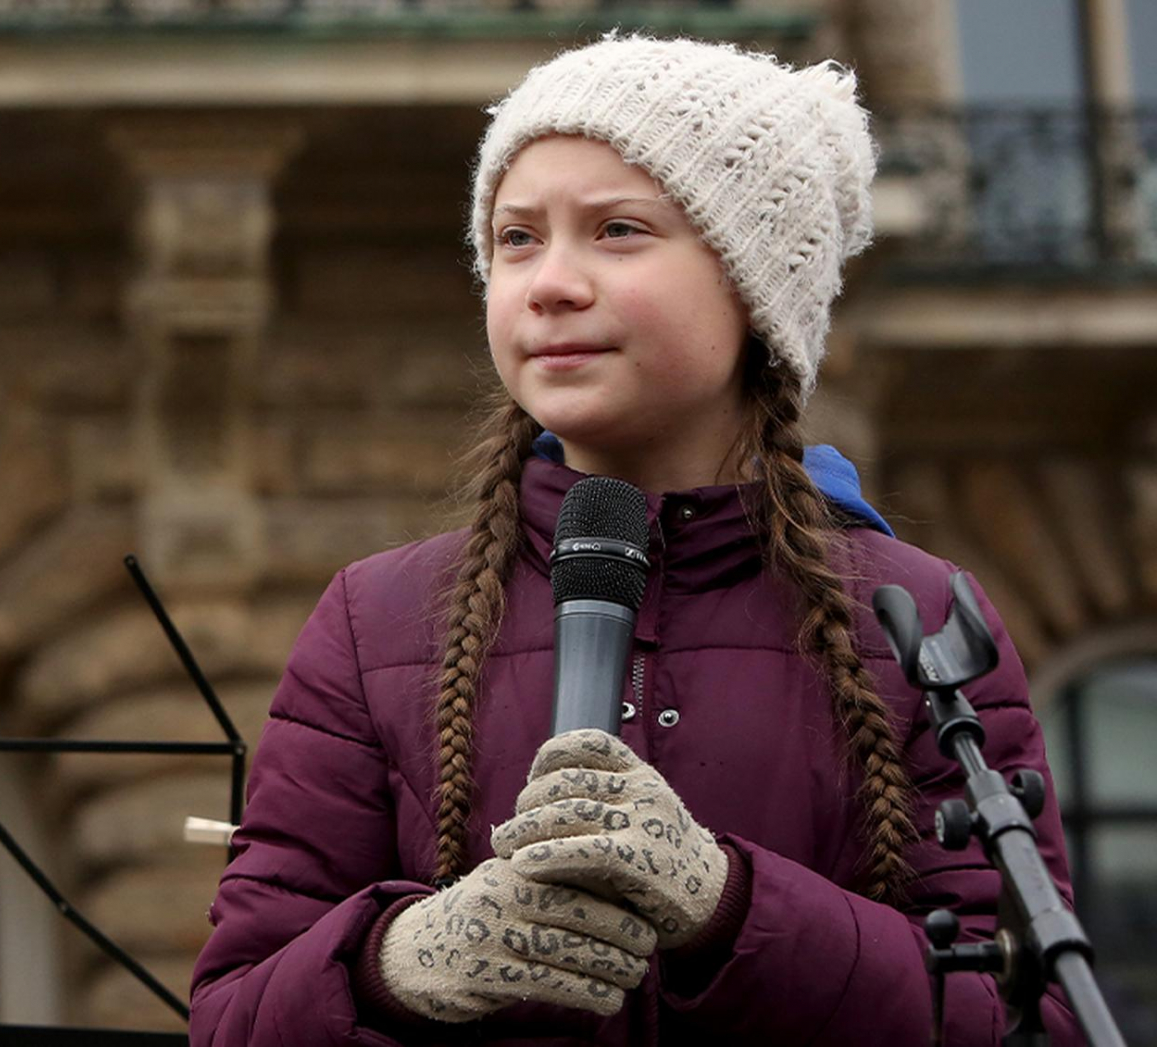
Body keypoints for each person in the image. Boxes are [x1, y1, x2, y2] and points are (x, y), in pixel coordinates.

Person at [187, 34, 1081, 1045]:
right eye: (515, 239)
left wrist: (727, 906)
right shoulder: (375, 620)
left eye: (615, 230)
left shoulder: (915, 623)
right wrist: (395, 962)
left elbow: (1028, 1022)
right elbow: (231, 1015)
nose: (548, 283)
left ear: (753, 284)